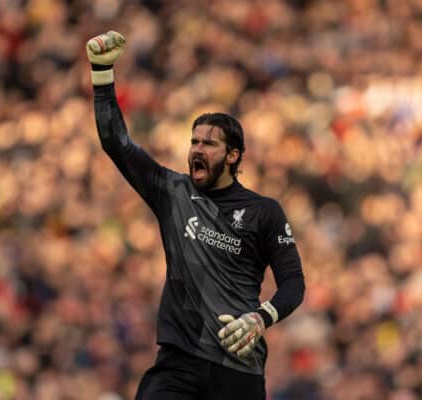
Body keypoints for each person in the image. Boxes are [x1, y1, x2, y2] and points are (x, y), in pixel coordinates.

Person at [87, 31, 305, 400]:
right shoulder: (171, 192)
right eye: (193, 142)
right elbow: (115, 141)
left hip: (238, 366)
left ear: (233, 155)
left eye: (208, 143)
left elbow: (294, 284)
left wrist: (260, 317)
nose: (196, 150)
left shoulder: (264, 212)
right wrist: (102, 73)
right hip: (179, 362)